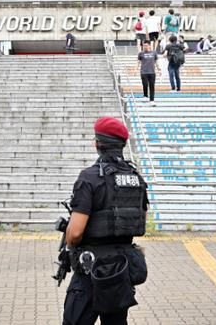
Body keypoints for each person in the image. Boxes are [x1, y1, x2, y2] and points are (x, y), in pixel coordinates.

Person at [62, 116, 148, 325]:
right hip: (120, 270)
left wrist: (70, 246)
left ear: (97, 144)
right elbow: (139, 221)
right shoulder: (136, 178)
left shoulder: (89, 177)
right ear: (122, 145)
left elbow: (74, 232)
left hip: (91, 270)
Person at [137, 41, 160, 105]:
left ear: (149, 46)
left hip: (152, 72)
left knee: (152, 86)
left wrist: (159, 69)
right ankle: (145, 95)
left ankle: (152, 100)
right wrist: (135, 69)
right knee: (145, 84)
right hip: (143, 72)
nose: (145, 47)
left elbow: (156, 61)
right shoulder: (141, 53)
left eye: (146, 45)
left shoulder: (154, 53)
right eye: (144, 46)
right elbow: (138, 62)